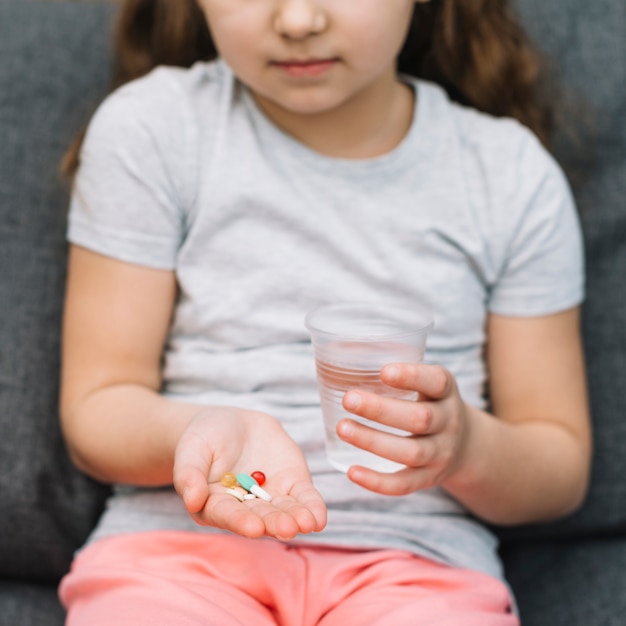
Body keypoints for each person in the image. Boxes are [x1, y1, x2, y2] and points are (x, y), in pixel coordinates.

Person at [57, 0, 591, 624]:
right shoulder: (152, 129)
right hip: (176, 558)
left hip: (416, 571)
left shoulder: (511, 176)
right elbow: (97, 407)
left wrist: (465, 447)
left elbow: (559, 467)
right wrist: (197, 432)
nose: (298, 21)